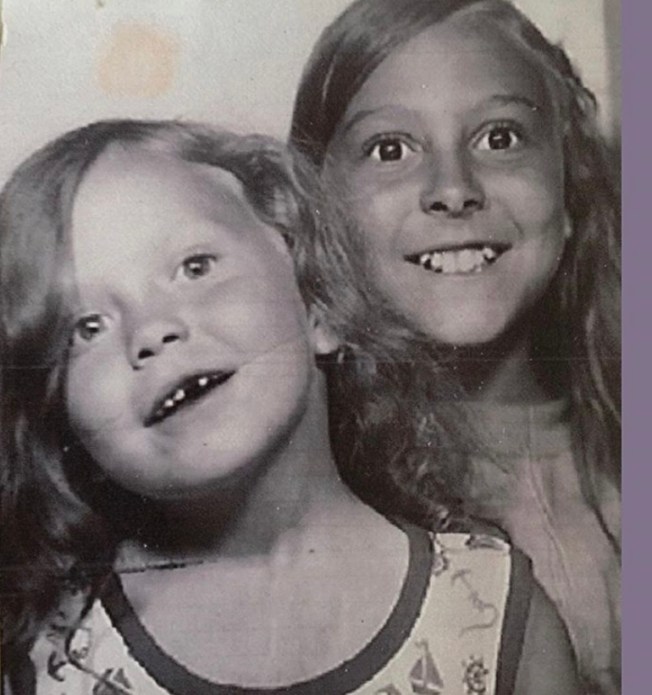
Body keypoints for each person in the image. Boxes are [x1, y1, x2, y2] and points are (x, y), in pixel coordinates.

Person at [0, 119, 579, 694]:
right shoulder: (51, 656)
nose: (151, 331)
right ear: (57, 412)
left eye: (195, 267)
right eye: (86, 327)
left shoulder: (489, 617)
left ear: (316, 299)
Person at [290, 1, 621, 693]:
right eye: (390, 149)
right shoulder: (314, 513)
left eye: (500, 138)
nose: (453, 189)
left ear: (570, 187)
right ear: (319, 211)